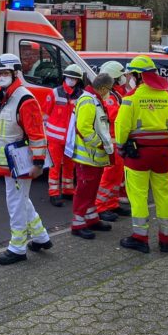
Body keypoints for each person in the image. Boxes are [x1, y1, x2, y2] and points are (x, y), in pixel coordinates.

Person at [0, 53, 52, 265]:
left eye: (5, 72)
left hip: (21, 164)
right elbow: (8, 126)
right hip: (10, 164)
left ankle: (17, 248)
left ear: (15, 73)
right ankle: (41, 237)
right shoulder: (7, 96)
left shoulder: (24, 99)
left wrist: (38, 163)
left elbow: (37, 134)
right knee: (21, 199)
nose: (1, 76)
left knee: (16, 202)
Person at [114, 55, 168, 254]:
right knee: (165, 195)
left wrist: (120, 146)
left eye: (132, 74)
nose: (130, 78)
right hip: (164, 154)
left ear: (138, 76)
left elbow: (121, 127)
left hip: (137, 154)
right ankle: (166, 240)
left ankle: (140, 238)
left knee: (138, 196)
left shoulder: (130, 99)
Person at [65, 73, 115, 239]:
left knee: (91, 188)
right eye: (108, 89)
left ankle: (91, 217)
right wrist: (99, 144)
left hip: (94, 156)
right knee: (84, 189)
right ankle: (78, 223)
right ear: (102, 88)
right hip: (88, 156)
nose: (109, 92)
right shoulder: (88, 101)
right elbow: (83, 128)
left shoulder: (94, 99)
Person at [45, 64, 86, 206]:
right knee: (54, 166)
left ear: (78, 80)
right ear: (64, 77)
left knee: (70, 166)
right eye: (69, 77)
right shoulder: (55, 93)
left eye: (74, 78)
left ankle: (68, 191)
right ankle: (54, 193)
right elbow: (46, 114)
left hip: (71, 138)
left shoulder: (82, 96)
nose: (71, 80)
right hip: (55, 138)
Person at [94, 61, 131, 221]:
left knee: (117, 176)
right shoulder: (109, 96)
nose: (124, 78)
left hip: (117, 140)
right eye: (121, 75)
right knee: (109, 176)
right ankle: (100, 207)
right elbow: (114, 116)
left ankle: (112, 204)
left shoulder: (116, 93)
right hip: (112, 141)